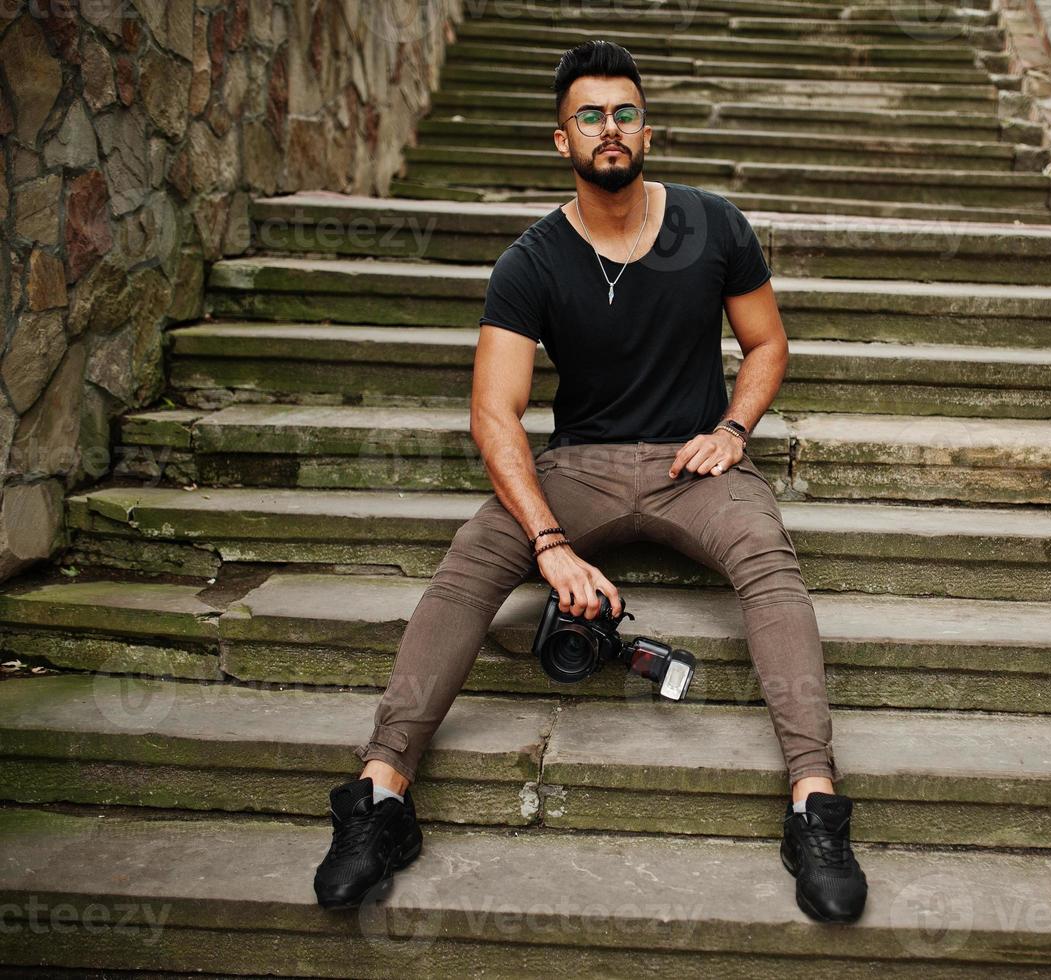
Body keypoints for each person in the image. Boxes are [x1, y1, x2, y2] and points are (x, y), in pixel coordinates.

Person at [312, 39, 867, 924]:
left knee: (768, 558)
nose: (610, 129)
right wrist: (548, 544)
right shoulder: (530, 261)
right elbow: (495, 416)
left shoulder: (712, 225)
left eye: (624, 112)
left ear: (648, 128)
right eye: (590, 116)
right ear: (560, 140)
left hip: (695, 463)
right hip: (577, 470)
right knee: (468, 563)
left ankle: (814, 804)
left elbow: (767, 345)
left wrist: (731, 429)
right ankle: (380, 797)